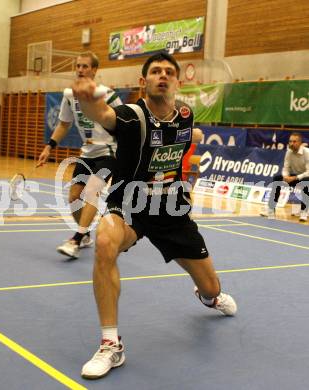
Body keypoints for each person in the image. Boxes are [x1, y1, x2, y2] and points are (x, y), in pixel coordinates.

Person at [72, 52, 237, 380]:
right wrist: (88, 101)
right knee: (105, 239)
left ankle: (208, 297)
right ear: (143, 81)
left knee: (211, 288)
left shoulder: (186, 115)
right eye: (156, 71)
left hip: (172, 212)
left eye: (169, 71)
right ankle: (110, 344)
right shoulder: (132, 116)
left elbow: (177, 155)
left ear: (177, 80)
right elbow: (103, 114)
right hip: (130, 208)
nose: (163, 75)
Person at [37, 51, 122, 258]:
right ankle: (85, 235)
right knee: (74, 196)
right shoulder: (69, 95)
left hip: (109, 152)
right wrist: (49, 146)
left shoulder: (108, 95)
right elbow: (64, 124)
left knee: (92, 190)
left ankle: (75, 239)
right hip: (87, 152)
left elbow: (125, 122)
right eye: (78, 66)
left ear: (94, 70)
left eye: (85, 66)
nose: (81, 70)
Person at [260, 132, 309, 222]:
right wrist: (285, 176)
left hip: (305, 177)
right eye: (290, 141)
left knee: (306, 182)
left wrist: (294, 178)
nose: (291, 144)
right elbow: (285, 168)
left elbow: (308, 172)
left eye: (294, 142)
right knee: (277, 179)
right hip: (294, 177)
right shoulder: (289, 152)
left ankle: (304, 213)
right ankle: (271, 210)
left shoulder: (307, 153)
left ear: (300, 143)